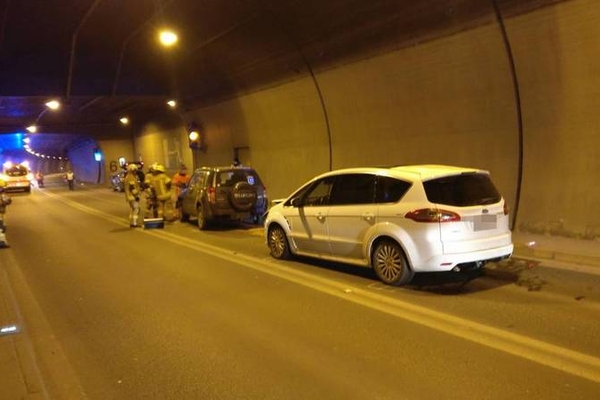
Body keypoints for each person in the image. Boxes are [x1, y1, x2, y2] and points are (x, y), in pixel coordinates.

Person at [0, 180, 12, 248]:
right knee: (1, 228)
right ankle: (1, 242)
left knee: (2, 227)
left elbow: (8, 201)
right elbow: (7, 201)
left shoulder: (2, 195)